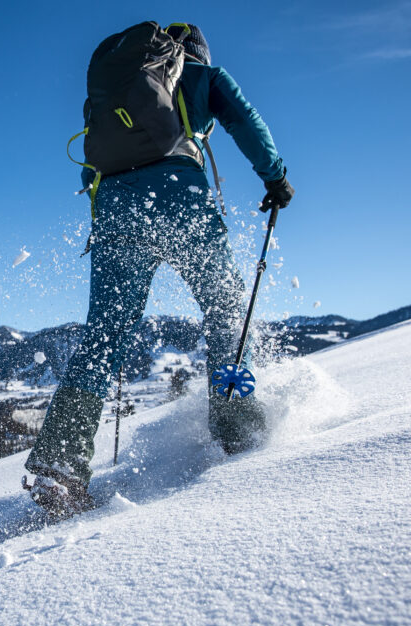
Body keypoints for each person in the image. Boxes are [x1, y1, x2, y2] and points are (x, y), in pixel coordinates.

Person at [24, 23, 294, 515]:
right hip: (179, 198)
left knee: (104, 334)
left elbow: (92, 165)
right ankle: (237, 429)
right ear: (191, 55)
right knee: (225, 309)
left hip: (115, 208)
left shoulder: (121, 89)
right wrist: (275, 177)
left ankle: (60, 467)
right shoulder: (202, 75)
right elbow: (245, 120)